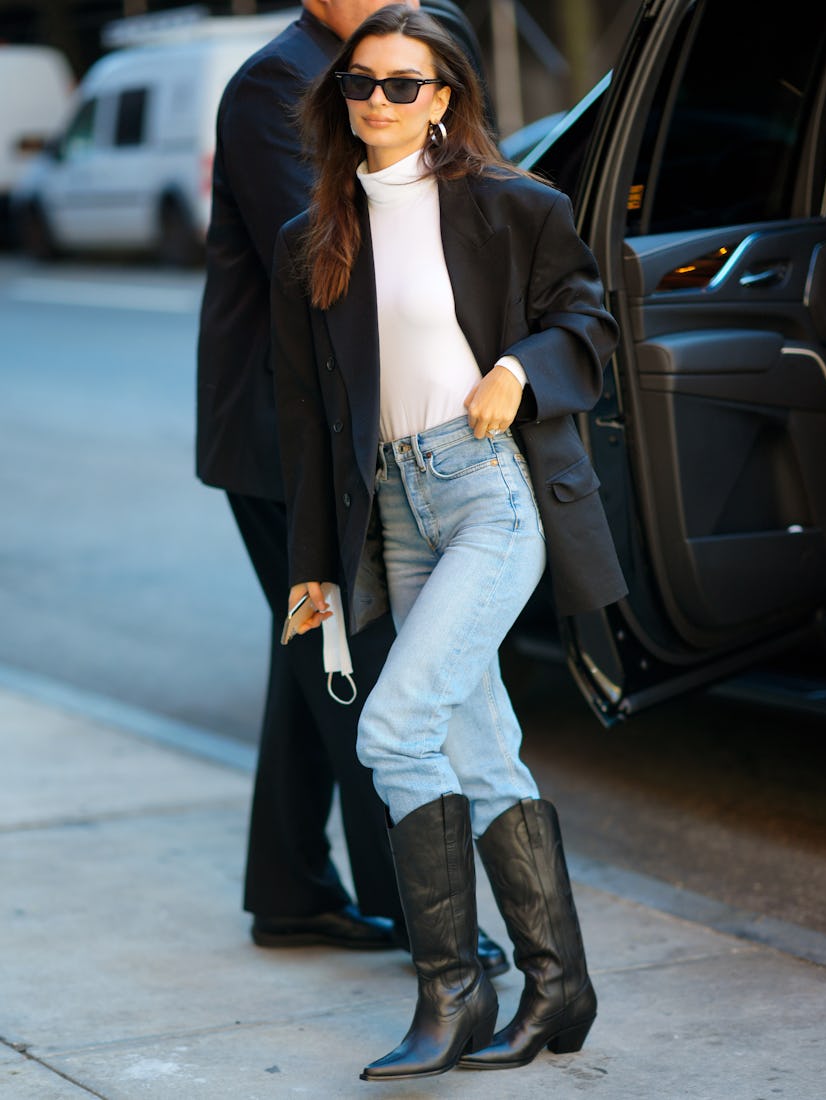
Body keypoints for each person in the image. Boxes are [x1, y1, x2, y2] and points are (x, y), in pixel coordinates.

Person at [270, 4, 627, 1081]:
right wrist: (313, 572)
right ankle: (556, 982)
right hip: (395, 512)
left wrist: (519, 369)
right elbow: (305, 422)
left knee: (396, 730)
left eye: (402, 84)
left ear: (445, 97)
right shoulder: (314, 237)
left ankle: (453, 991)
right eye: (360, 83)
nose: (377, 102)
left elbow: (588, 320)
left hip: (488, 496)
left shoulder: (510, 205)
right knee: (479, 750)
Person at [196, 0, 507, 971]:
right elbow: (336, 256)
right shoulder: (276, 86)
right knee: (360, 671)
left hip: (344, 430)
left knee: (315, 665)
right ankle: (430, 920)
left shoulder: (383, 61)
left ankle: (290, 891)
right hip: (290, 441)